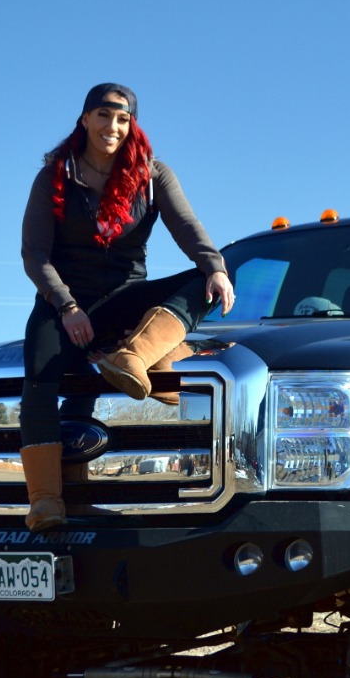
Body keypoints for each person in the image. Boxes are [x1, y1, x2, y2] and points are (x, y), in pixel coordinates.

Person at [19, 82, 234, 531]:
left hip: (126, 298)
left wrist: (214, 267)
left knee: (202, 282)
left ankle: (134, 355)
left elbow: (187, 226)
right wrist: (66, 306)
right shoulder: (54, 175)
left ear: (132, 124)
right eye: (103, 115)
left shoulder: (153, 175)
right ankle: (46, 501)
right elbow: (34, 255)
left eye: (122, 118)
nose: (112, 126)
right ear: (84, 119)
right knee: (40, 375)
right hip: (66, 302)